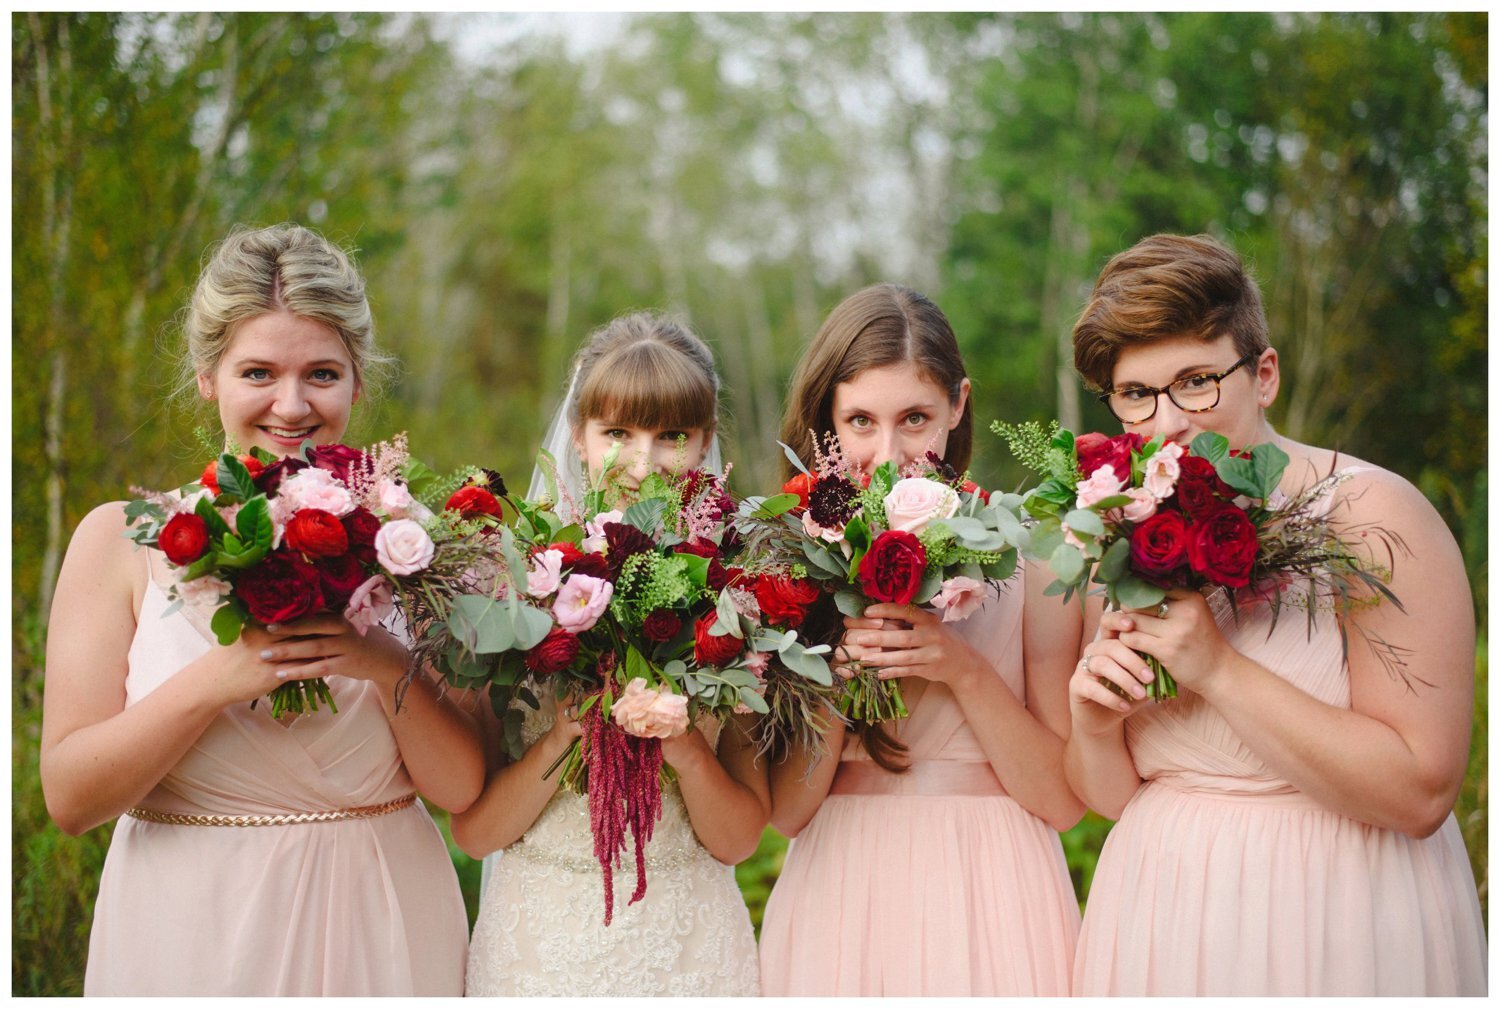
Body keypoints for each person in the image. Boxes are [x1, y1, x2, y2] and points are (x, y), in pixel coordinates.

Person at [40, 224, 482, 996]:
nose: (292, 403)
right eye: (257, 371)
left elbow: (461, 791)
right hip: (189, 924)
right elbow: (72, 797)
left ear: (356, 383)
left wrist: (379, 661)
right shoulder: (119, 540)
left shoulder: (418, 547)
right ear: (209, 375)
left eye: (321, 373)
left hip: (383, 918)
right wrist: (222, 676)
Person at [1066, 233, 1487, 996]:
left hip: (1338, 914)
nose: (1167, 423)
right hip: (1160, 917)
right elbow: (1116, 796)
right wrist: (1092, 720)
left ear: (1264, 373)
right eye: (1136, 393)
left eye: (1196, 381)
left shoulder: (1369, 514)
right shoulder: (1121, 532)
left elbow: (1422, 791)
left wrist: (1219, 670)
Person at [757, 283, 1086, 996]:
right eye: (859, 421)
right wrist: (835, 680)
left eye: (914, 418)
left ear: (958, 405)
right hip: (842, 887)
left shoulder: (1031, 554)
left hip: (996, 885)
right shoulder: (790, 565)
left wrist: (961, 669)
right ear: (825, 424)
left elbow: (1063, 800)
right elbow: (784, 812)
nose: (889, 450)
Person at [454, 312, 764, 997]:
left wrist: (681, 743)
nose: (643, 461)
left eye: (672, 436)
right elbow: (476, 833)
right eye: (618, 433)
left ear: (706, 441)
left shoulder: (737, 599)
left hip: (687, 946)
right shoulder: (519, 594)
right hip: (540, 944)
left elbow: (740, 839)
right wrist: (563, 734)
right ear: (579, 437)